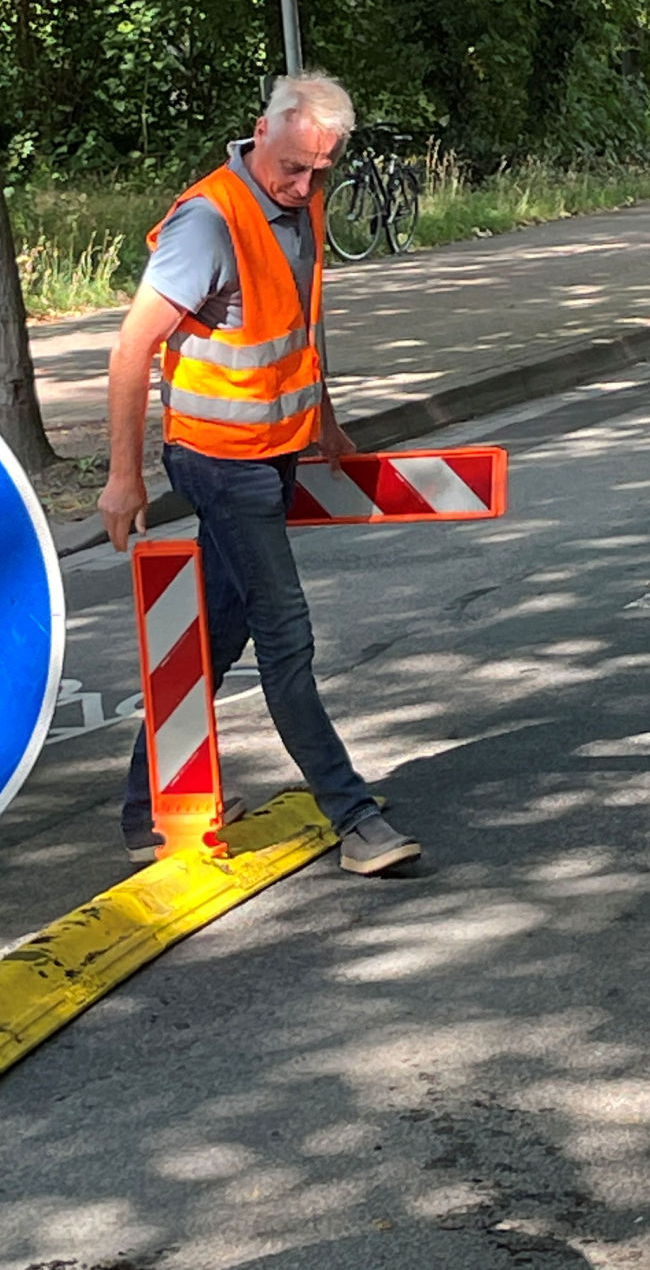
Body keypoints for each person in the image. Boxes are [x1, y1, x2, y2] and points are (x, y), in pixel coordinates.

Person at [97, 71, 421, 877]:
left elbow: (298, 323)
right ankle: (353, 817)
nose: (307, 185)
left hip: (273, 451)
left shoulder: (303, 201)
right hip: (216, 461)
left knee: (220, 626)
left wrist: (327, 420)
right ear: (260, 130)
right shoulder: (209, 221)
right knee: (285, 634)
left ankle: (146, 809)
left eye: (322, 169)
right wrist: (123, 478)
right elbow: (131, 348)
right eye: (294, 168)